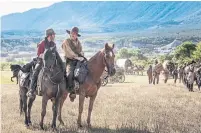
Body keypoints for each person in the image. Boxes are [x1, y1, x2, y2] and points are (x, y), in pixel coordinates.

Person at [27, 28, 57, 98]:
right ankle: (31, 90)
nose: (54, 36)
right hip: (41, 61)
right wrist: (46, 55)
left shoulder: (53, 44)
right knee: (36, 72)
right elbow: (39, 54)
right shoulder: (42, 43)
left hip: (51, 62)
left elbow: (55, 53)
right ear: (50, 35)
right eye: (53, 35)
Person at [61, 27, 84, 101]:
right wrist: (77, 57)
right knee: (70, 74)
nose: (73, 35)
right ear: (70, 34)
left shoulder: (78, 42)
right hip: (70, 60)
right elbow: (69, 52)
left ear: (77, 35)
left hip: (79, 60)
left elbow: (81, 51)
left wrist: (82, 56)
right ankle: (71, 91)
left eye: (75, 34)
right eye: (72, 33)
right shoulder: (66, 42)